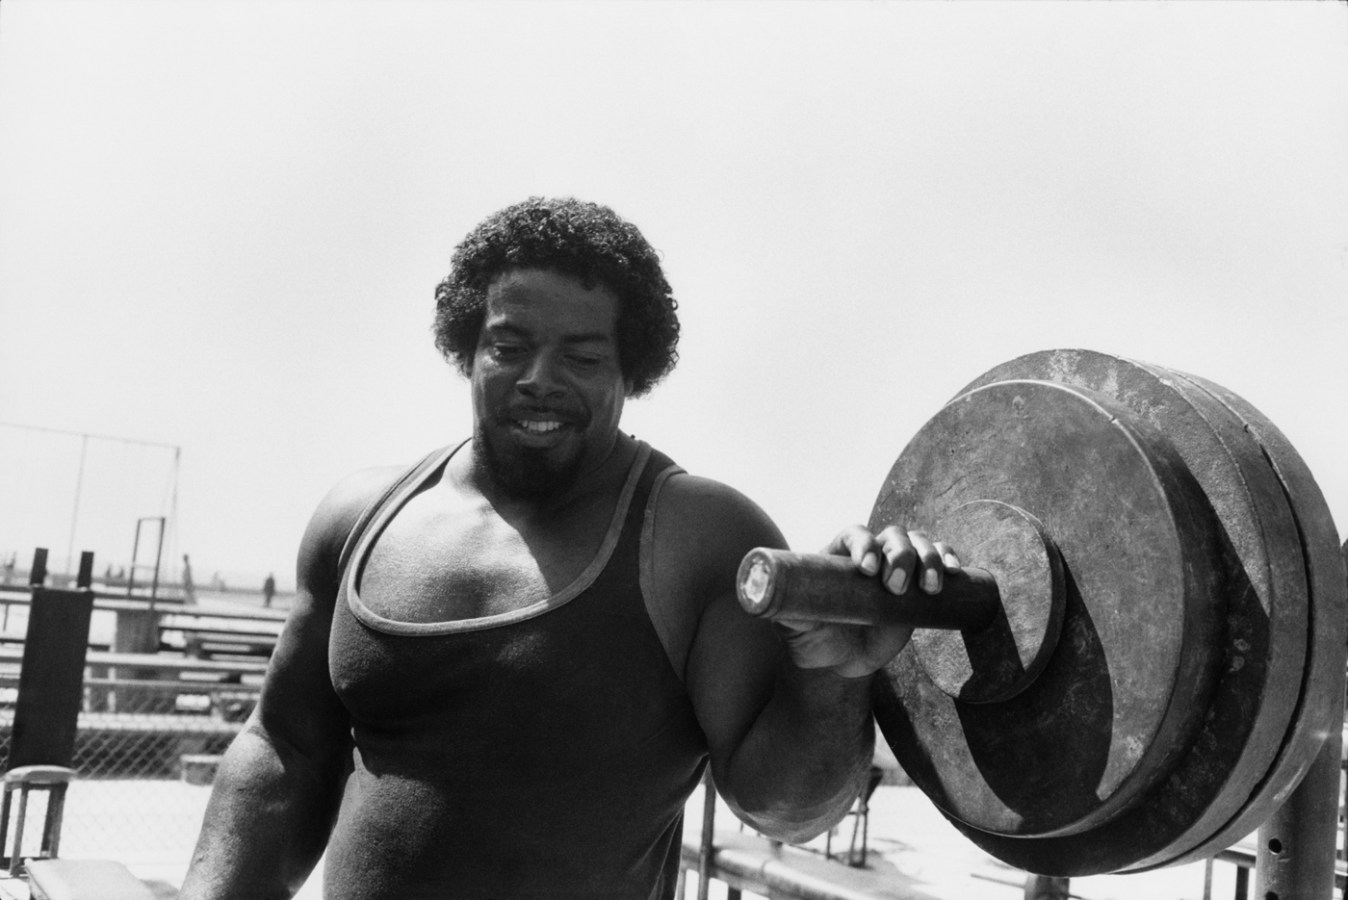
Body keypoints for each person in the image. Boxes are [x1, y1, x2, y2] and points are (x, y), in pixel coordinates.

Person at [179, 197, 956, 900]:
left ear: (632, 370)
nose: (539, 379)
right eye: (509, 347)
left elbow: (786, 808)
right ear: (467, 348)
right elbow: (287, 749)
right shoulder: (360, 518)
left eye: (583, 358)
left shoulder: (698, 538)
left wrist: (827, 678)